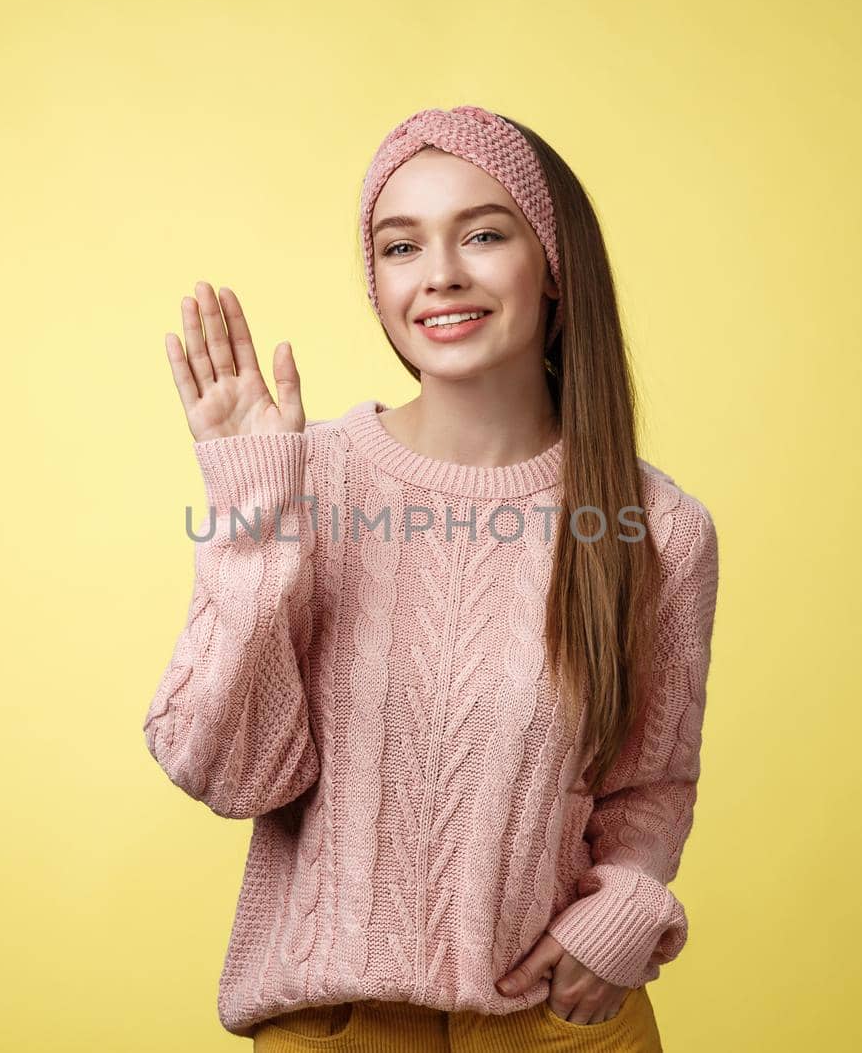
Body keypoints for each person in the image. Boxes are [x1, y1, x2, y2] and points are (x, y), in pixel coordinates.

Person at [147, 105, 720, 1051]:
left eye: (484, 234)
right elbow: (228, 769)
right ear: (376, 284)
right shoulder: (304, 475)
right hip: (338, 1022)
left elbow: (652, 781)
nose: (441, 274)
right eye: (400, 245)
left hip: (556, 1019)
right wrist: (255, 514)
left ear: (555, 266)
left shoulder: (658, 529)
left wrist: (619, 909)